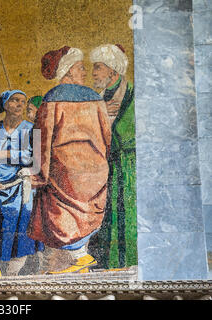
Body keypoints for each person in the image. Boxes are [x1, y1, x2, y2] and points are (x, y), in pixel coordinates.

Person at [27, 46, 112, 274]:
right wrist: (103, 162)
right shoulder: (96, 99)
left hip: (65, 170)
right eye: (80, 68)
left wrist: (39, 173)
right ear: (68, 71)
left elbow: (41, 141)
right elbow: (107, 135)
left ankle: (80, 258)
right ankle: (76, 262)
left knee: (58, 215)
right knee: (84, 216)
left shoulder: (52, 100)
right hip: (95, 169)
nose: (85, 71)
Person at [0, 89, 44, 278]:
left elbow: (38, 159)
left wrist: (5, 155)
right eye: (14, 100)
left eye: (23, 101)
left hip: (21, 192)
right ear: (5, 105)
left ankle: (12, 279)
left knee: (19, 241)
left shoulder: (32, 129)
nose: (20, 104)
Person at [89, 44, 136, 269]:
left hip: (128, 166)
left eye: (98, 67)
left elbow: (126, 132)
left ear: (112, 71)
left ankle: (128, 262)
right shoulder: (98, 98)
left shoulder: (131, 94)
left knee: (126, 213)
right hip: (106, 166)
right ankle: (109, 263)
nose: (94, 73)